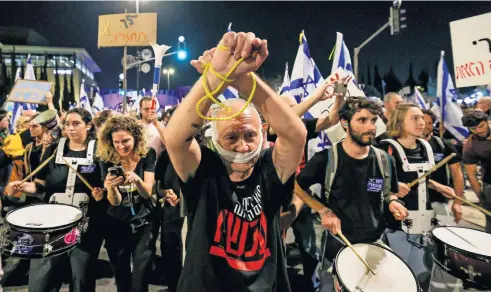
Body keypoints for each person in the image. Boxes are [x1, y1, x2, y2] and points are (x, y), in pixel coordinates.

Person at [164, 31, 306, 291]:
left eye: (250, 135)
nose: (243, 146)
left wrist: (242, 77)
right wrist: (214, 77)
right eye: (231, 136)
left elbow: (296, 135)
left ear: (263, 133)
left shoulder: (268, 167)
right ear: (215, 138)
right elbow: (175, 139)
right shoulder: (206, 168)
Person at [295, 97, 407, 291]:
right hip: (338, 245)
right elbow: (296, 186)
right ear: (345, 123)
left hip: (375, 243)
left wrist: (394, 203)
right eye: (362, 120)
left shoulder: (384, 159)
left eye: (373, 120)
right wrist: (323, 211)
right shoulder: (326, 159)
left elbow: (388, 193)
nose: (370, 126)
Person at [9, 108, 106, 292]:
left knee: (81, 277)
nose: (70, 128)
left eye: (76, 124)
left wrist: (100, 193)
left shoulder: (99, 152)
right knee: (42, 277)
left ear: (88, 125)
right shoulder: (54, 149)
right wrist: (24, 187)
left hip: (86, 224)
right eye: (67, 124)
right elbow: (40, 186)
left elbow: (105, 188)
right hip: (52, 224)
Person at [377, 103, 457, 291]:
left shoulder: (424, 147)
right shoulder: (384, 148)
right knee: (399, 274)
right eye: (414, 118)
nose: (422, 123)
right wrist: (391, 191)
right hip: (397, 223)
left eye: (422, 118)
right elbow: (369, 181)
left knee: (424, 273)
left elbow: (422, 178)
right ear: (399, 121)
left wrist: (438, 186)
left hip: (424, 220)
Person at [97, 115, 158, 292]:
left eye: (125, 141)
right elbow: (114, 201)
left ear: (136, 138)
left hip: (144, 219)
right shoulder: (106, 158)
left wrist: (137, 180)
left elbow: (147, 192)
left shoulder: (147, 154)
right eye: (116, 142)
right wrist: (110, 187)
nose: (120, 146)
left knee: (142, 271)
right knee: (121, 272)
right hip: (115, 221)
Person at [421, 109, 464, 223]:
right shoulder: (404, 145)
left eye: (430, 123)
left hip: (439, 202)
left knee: (442, 236)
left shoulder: (444, 145)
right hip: (412, 202)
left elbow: (457, 173)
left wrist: (457, 202)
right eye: (423, 122)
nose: (426, 126)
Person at [462, 110, 491, 233]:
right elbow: (471, 175)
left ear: (487, 122)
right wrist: (481, 199)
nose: (479, 131)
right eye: (474, 129)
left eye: (481, 126)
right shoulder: (470, 145)